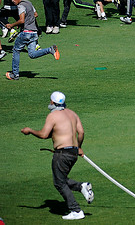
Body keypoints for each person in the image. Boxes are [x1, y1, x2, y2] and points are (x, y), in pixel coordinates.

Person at [20, 92, 93, 220]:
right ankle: (81, 186)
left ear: (52, 102)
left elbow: (43, 134)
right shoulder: (72, 113)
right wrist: (79, 147)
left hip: (62, 154)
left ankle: (76, 210)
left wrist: (30, 131)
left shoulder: (53, 116)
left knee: (59, 183)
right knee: (62, 179)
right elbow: (81, 132)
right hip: (73, 153)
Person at [5, 0, 60, 80]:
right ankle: (50, 49)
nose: (12, 0)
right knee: (32, 54)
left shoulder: (21, 6)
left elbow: (22, 20)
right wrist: (25, 22)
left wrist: (12, 25)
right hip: (34, 33)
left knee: (16, 50)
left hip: (26, 33)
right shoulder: (28, 2)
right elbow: (35, 14)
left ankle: (15, 74)